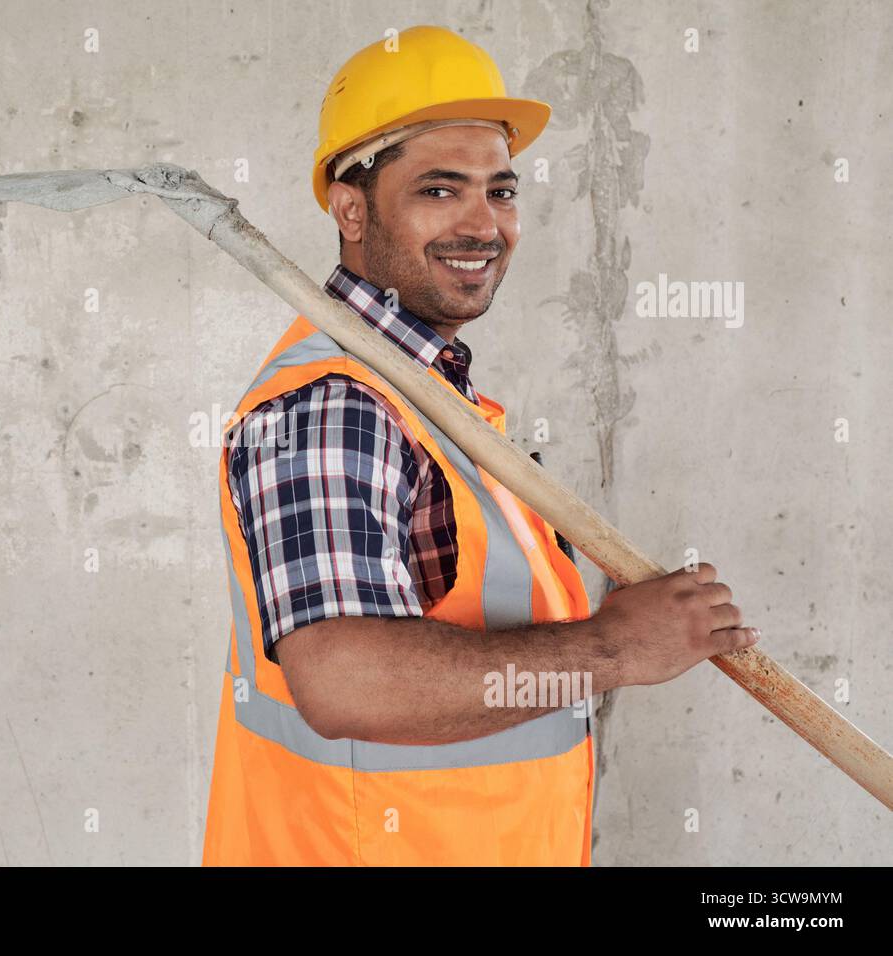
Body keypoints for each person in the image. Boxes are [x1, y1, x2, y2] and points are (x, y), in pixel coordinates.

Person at [200, 24, 757, 866]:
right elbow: (343, 678)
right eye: (439, 189)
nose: (482, 223)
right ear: (351, 209)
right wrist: (613, 648)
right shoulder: (334, 406)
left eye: (501, 191)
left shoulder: (433, 396)